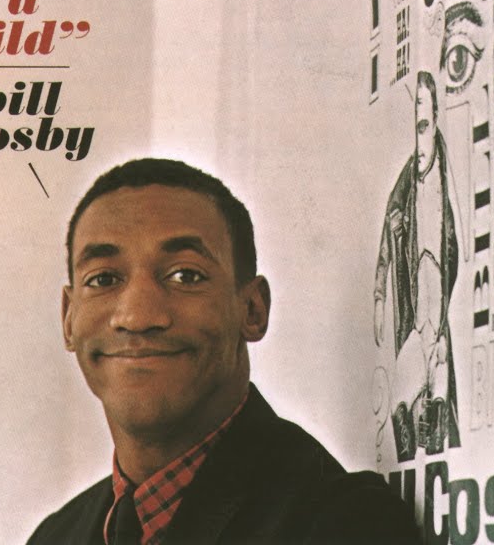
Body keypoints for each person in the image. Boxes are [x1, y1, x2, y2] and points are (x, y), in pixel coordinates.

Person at [28, 158, 421, 545]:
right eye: (103, 279)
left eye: (185, 275)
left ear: (252, 309)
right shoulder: (54, 536)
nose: (137, 316)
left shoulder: (344, 524)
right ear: (68, 319)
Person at [373, 70, 461, 463]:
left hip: (437, 327)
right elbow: (388, 224)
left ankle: (435, 449)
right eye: (415, 127)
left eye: (423, 125)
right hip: (417, 326)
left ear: (436, 120)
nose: (419, 138)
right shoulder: (408, 179)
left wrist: (442, 332)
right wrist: (379, 294)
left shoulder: (447, 176)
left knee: (439, 402)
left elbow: (457, 248)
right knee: (399, 408)